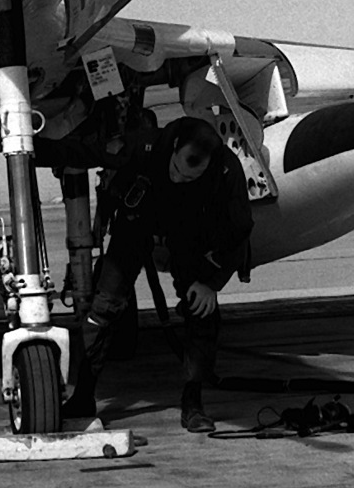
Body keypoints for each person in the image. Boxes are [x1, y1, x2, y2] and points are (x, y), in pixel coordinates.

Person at [65, 115, 254, 433]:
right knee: (103, 309)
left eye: (189, 176)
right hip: (137, 224)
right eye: (176, 169)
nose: (179, 178)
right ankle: (83, 397)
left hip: (190, 236)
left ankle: (193, 403)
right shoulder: (143, 146)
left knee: (203, 312)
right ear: (176, 147)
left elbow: (239, 230)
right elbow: (89, 153)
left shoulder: (226, 170)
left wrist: (211, 283)